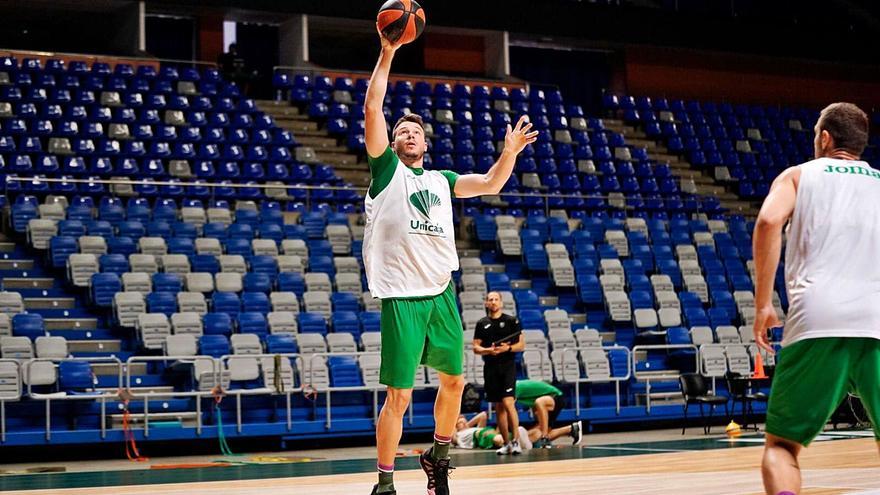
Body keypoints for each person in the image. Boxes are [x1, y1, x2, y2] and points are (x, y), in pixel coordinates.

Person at [364, 26, 539, 495]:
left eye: (414, 131)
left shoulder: (441, 179)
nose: (407, 134)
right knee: (398, 396)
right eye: (401, 131)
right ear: (393, 144)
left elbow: (489, 185)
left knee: (456, 382)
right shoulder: (386, 172)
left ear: (426, 143)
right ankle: (384, 484)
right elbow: (373, 107)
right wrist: (387, 53)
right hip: (402, 296)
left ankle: (438, 458)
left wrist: (508, 154)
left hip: (441, 291)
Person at [752, 102, 880, 495]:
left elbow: (769, 222)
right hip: (877, 317)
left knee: (782, 447)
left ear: (825, 138)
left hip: (817, 318)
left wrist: (763, 305)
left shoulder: (797, 176)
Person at [472, 292, 525, 455]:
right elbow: (475, 347)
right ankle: (507, 443)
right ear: (487, 303)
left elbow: (521, 345)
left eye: (496, 299)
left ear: (501, 302)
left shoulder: (512, 321)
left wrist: (507, 348)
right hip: (490, 368)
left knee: (509, 402)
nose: (493, 302)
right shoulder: (482, 324)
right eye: (490, 300)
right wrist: (488, 350)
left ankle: (516, 441)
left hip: (508, 366)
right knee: (498, 407)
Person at [515, 379, 583, 448]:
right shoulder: (511, 389)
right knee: (537, 434)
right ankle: (571, 429)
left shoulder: (515, 388)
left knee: (539, 402)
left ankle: (545, 438)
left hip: (555, 397)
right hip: (542, 403)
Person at [452, 411, 532, 451]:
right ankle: (517, 444)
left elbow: (483, 415)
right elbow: (451, 433)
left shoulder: (471, 428)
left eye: (465, 421)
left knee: (505, 435)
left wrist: (468, 425)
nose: (464, 422)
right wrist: (456, 421)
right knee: (498, 439)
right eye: (460, 422)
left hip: (485, 431)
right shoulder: (458, 436)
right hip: (478, 435)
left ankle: (519, 442)